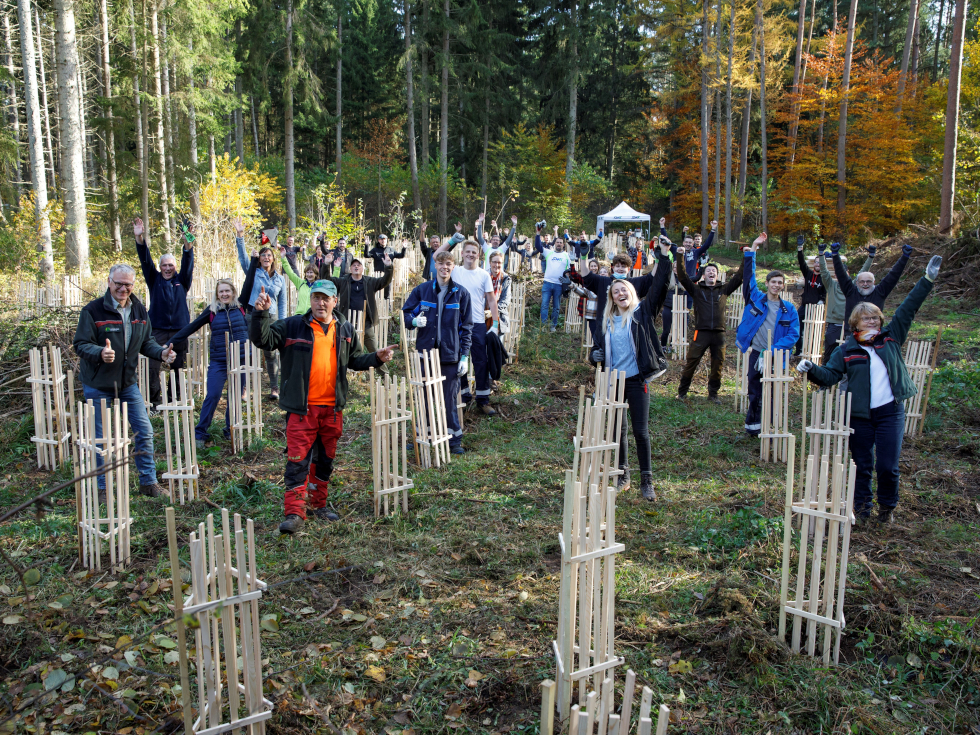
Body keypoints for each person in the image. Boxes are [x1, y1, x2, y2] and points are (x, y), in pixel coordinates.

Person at [798, 255, 942, 525]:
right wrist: (812, 369)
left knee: (888, 466)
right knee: (862, 465)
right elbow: (830, 376)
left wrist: (927, 279)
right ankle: (862, 510)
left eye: (875, 318)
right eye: (867, 319)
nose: (873, 322)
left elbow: (908, 308)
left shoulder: (891, 337)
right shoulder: (847, 350)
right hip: (860, 416)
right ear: (855, 325)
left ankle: (887, 508)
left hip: (890, 412)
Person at [250, 280, 395, 533]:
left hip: (331, 410)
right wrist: (260, 313)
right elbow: (263, 339)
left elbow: (354, 360)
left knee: (325, 460)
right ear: (311, 300)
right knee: (298, 460)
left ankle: (319, 505)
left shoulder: (345, 329)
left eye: (326, 298)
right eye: (316, 298)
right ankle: (295, 512)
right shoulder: (294, 325)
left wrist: (376, 358)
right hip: (301, 409)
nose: (320, 303)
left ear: (334, 301)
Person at [73, 263, 178, 498]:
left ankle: (148, 482)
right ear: (109, 282)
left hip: (127, 383)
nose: (123, 288)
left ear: (133, 285)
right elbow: (80, 344)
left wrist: (161, 353)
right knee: (101, 437)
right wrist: (100, 353)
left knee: (144, 430)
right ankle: (102, 488)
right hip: (98, 383)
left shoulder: (139, 310)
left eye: (128, 284)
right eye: (118, 283)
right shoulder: (93, 311)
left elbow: (146, 341)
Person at [589, 239, 672, 501]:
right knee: (617, 430)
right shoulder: (606, 322)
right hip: (614, 381)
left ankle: (646, 479)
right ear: (611, 298)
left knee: (640, 431)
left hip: (637, 380)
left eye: (624, 290)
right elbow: (596, 352)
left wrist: (664, 257)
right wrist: (595, 355)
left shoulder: (642, 313)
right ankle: (623, 474)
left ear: (631, 292)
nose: (620, 294)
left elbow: (659, 287)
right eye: (616, 292)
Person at [169, 252, 260, 449]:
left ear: (233, 292)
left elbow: (249, 282)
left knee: (235, 397)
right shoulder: (211, 311)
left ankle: (230, 430)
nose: (225, 294)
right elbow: (190, 327)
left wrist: (253, 261)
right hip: (219, 360)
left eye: (228, 291)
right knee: (213, 394)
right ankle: (200, 432)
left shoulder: (241, 306)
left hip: (241, 358)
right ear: (217, 294)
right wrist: (170, 342)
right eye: (221, 292)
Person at [402, 251, 473, 453]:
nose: (444, 268)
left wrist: (464, 357)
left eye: (448, 264)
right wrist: (414, 321)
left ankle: (453, 440)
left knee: (448, 398)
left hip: (450, 356)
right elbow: (407, 313)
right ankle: (422, 436)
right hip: (425, 353)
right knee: (423, 396)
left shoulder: (461, 293)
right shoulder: (423, 291)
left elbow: (466, 328)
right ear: (435, 266)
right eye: (441, 264)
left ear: (453, 266)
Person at [736, 233, 800, 436]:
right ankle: (753, 428)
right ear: (768, 284)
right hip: (757, 354)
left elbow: (793, 334)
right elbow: (748, 277)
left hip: (776, 357)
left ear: (783, 286)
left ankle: (770, 427)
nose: (776, 285)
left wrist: (773, 350)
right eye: (773, 282)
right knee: (754, 391)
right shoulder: (755, 299)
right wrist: (753, 248)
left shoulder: (789, 309)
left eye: (780, 283)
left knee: (772, 393)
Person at [134, 217, 194, 411]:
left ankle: (174, 400)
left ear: (175, 267)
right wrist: (139, 238)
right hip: (157, 330)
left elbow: (188, 261)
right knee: (153, 366)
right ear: (160, 267)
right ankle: (154, 402)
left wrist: (187, 242)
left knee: (177, 367)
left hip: (179, 331)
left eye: (171, 265)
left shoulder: (182, 280)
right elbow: (145, 260)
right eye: (164, 265)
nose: (167, 268)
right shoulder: (154, 279)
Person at [674, 251, 744, 402]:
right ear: (704, 275)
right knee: (692, 361)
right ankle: (682, 392)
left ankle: (713, 394)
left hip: (719, 334)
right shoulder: (697, 290)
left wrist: (746, 257)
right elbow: (683, 277)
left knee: (718, 364)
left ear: (717, 275)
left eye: (714, 271)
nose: (711, 272)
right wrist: (680, 257)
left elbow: (739, 277)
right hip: (701, 332)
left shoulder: (724, 289)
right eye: (708, 271)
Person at [235, 218, 287, 400]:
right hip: (252, 316)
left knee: (271, 354)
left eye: (269, 255)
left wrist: (282, 321)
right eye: (263, 255)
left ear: (273, 259)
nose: (266, 257)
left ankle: (274, 388)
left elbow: (282, 302)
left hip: (271, 318)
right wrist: (240, 236)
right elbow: (242, 257)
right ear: (260, 258)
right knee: (248, 353)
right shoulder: (253, 272)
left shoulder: (280, 279)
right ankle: (244, 389)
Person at [318, 255, 393, 374]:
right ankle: (339, 373)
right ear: (350, 268)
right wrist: (326, 264)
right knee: (342, 349)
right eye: (354, 265)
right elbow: (327, 281)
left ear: (363, 268)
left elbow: (385, 281)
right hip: (347, 323)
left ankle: (385, 375)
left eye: (358, 265)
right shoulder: (343, 281)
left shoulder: (370, 282)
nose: (356, 266)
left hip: (366, 322)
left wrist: (388, 267)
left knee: (373, 348)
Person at [453, 239, 500, 414]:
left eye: (474, 252)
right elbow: (436, 257)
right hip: (458, 324)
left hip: (478, 324)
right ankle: (464, 398)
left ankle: (483, 399)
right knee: (459, 361)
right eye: (468, 251)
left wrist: (494, 324)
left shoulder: (483, 275)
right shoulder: (455, 271)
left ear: (478, 255)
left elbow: (492, 301)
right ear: (462, 253)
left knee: (481, 361)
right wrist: (451, 240)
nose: (471, 254)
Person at [831, 241, 909, 338]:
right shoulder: (850, 292)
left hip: (874, 336)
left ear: (874, 282)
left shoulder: (880, 292)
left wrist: (904, 257)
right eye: (862, 282)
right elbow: (841, 275)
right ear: (857, 283)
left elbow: (893, 275)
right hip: (852, 336)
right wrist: (835, 255)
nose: (865, 284)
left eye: (868, 281)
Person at [818, 243, 873, 363]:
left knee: (849, 353)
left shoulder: (852, 286)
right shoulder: (830, 284)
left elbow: (863, 271)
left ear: (847, 274)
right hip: (834, 324)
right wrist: (821, 255)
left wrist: (871, 257)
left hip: (850, 325)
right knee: (829, 351)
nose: (840, 276)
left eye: (844, 273)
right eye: (838, 273)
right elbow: (823, 270)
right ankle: (827, 374)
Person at [794, 235, 827, 355]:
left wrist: (822, 301)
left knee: (813, 331)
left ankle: (812, 352)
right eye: (816, 262)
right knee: (799, 328)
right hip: (805, 307)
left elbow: (826, 292)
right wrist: (800, 248)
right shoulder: (808, 274)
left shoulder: (825, 278)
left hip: (816, 308)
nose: (818, 264)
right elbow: (801, 262)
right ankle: (799, 351)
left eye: (820, 262)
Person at [535, 224, 571, 331]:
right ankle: (544, 325)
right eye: (557, 242)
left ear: (563, 245)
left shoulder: (566, 255)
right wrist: (538, 233)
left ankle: (553, 325)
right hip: (547, 283)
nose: (559, 244)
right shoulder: (548, 252)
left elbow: (568, 271)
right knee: (544, 305)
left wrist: (567, 282)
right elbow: (538, 246)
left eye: (561, 242)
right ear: (554, 243)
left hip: (559, 285)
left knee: (556, 307)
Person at [365, 233, 406, 299]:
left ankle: (388, 307)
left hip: (388, 275)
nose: (383, 241)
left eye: (384, 239)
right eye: (381, 239)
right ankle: (378, 306)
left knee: (387, 293)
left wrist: (404, 248)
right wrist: (366, 245)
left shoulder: (391, 250)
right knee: (378, 293)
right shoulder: (375, 250)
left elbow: (401, 255)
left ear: (387, 240)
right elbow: (366, 255)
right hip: (378, 275)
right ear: (378, 240)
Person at [281, 248, 319, 315]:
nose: (309, 275)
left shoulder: (319, 285)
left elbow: (331, 281)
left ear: (315, 274)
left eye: (311, 273)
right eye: (307, 272)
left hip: (312, 316)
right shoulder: (301, 283)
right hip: (300, 315)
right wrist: (283, 258)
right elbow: (290, 272)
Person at [488, 251, 512, 334]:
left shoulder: (506, 279)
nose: (497, 265)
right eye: (494, 262)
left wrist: (492, 311)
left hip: (500, 319)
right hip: (483, 318)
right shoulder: (484, 276)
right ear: (489, 262)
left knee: (498, 346)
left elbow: (505, 300)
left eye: (499, 262)